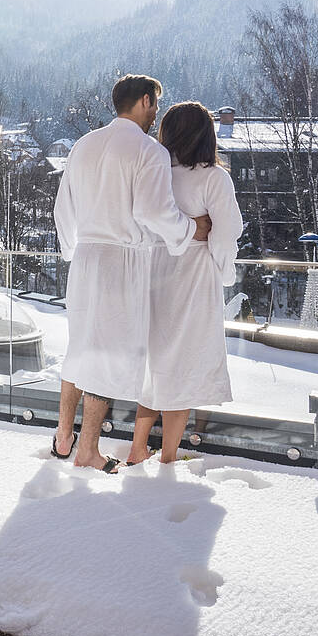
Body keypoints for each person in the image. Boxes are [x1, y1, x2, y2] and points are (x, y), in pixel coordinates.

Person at [53, 74, 210, 471]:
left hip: (85, 258)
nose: (155, 113)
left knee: (81, 346)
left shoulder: (83, 145)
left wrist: (74, 250)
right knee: (108, 356)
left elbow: (62, 210)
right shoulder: (147, 150)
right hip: (122, 261)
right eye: (155, 104)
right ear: (144, 101)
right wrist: (193, 229)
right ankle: (87, 451)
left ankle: (63, 436)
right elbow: (152, 212)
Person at [128, 101, 245, 465]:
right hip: (194, 279)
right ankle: (168, 456)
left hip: (153, 273)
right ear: (206, 134)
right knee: (184, 366)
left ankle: (136, 447)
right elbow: (228, 233)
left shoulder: (155, 174)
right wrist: (224, 273)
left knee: (157, 362)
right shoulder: (213, 178)